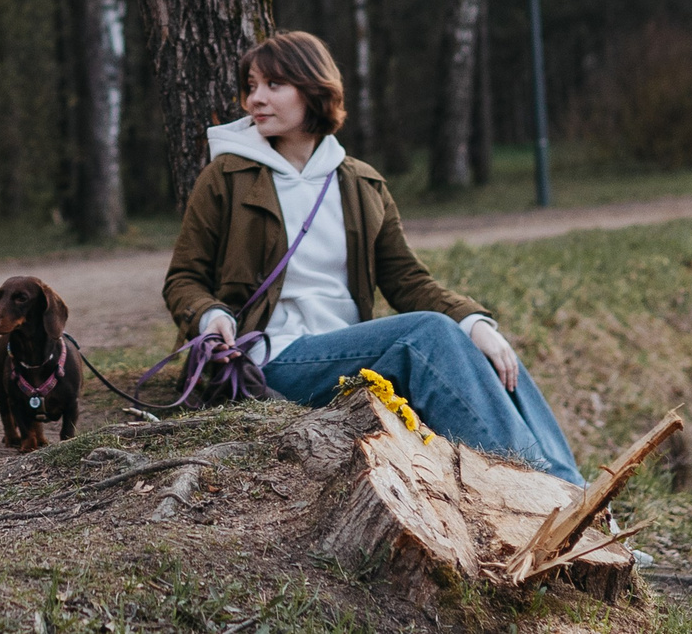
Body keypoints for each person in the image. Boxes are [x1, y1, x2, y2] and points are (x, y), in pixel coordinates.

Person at [163, 30, 585, 482]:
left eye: (273, 85)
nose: (255, 100)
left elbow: (406, 280)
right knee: (426, 334)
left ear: (314, 89)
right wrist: (210, 316)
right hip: (272, 358)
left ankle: (580, 503)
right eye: (251, 86)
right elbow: (184, 277)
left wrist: (474, 322)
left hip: (345, 353)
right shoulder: (227, 175)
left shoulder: (361, 184)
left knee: (486, 348)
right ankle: (540, 495)